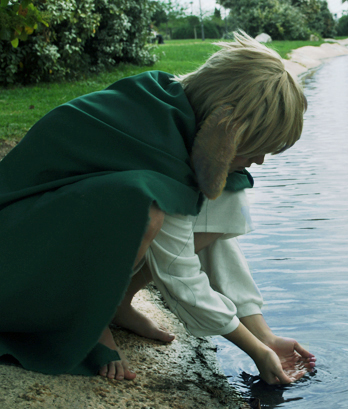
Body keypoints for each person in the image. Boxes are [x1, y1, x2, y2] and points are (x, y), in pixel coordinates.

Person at [0, 32, 315, 385]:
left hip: (49, 234)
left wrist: (265, 336)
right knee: (139, 204)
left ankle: (116, 301)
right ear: (221, 130)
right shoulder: (159, 149)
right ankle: (87, 325)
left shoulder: (181, 116)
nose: (259, 160)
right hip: (14, 257)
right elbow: (180, 273)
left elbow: (217, 241)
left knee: (228, 189)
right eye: (254, 148)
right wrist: (254, 350)